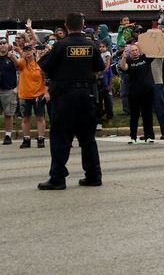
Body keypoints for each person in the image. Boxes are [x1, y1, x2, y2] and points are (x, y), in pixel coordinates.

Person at [37, 12, 105, 190]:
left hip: (64, 97)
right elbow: (99, 67)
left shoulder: (60, 45)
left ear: (66, 26)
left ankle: (58, 178)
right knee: (88, 138)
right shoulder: (91, 45)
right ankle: (93, 175)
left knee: (60, 137)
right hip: (86, 95)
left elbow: (45, 66)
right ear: (83, 25)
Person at [13, 44, 48, 148]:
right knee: (25, 118)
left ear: (33, 51)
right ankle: (26, 139)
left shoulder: (40, 63)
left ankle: (41, 138)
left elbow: (46, 79)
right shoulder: (22, 62)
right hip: (24, 94)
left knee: (40, 117)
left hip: (38, 94)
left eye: (29, 50)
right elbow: (16, 64)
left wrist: (46, 92)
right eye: (25, 51)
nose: (27, 53)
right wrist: (13, 56)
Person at [0, 38, 18, 145]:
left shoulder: (11, 57)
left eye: (4, 43)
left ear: (7, 45)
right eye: (0, 43)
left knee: (8, 114)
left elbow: (21, 69)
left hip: (8, 89)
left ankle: (8, 135)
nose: (2, 45)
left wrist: (17, 88)